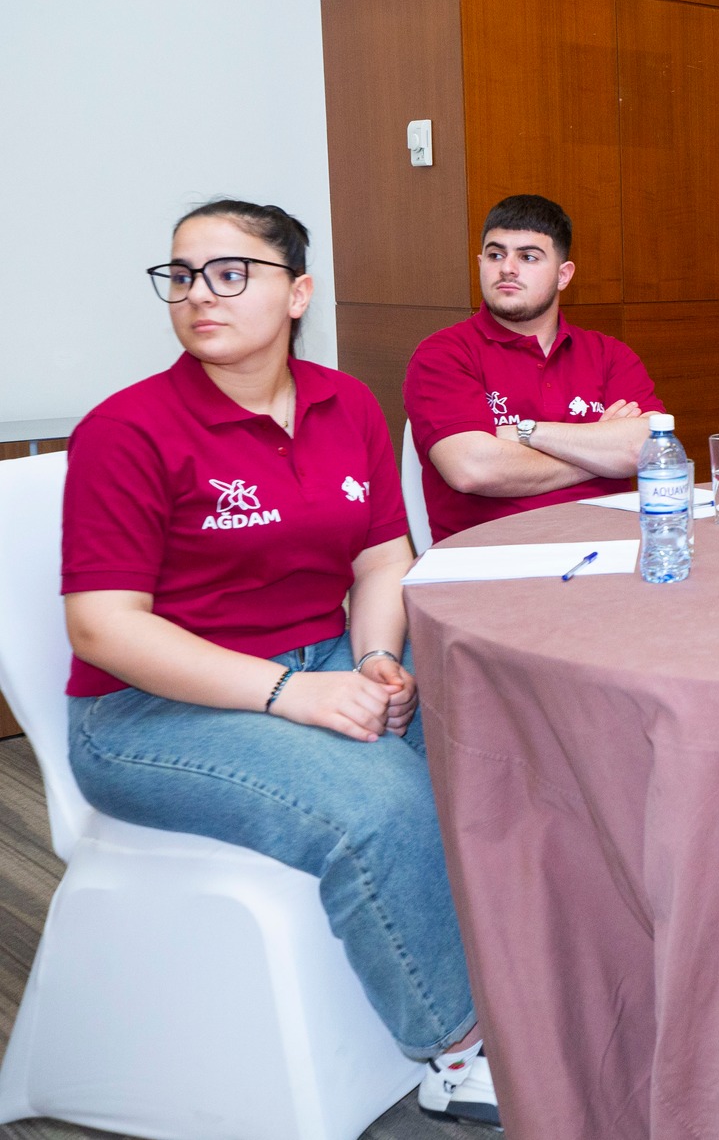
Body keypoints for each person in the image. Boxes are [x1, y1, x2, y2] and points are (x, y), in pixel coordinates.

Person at [62, 201, 501, 1127]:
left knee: (499, 727)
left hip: (324, 656)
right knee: (383, 800)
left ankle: (525, 971)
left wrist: (376, 657)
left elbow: (381, 559)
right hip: (149, 710)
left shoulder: (347, 404)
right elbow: (103, 628)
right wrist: (290, 692)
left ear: (298, 293)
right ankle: (458, 1049)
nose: (199, 294)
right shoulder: (128, 429)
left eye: (230, 273)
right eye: (182, 275)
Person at [404, 194, 663, 542]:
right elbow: (473, 469)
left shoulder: (610, 354)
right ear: (480, 263)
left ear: (563, 275)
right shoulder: (442, 354)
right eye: (496, 255)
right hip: (486, 558)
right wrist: (601, 455)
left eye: (528, 257)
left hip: (610, 548)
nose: (507, 268)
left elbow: (649, 449)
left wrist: (526, 433)